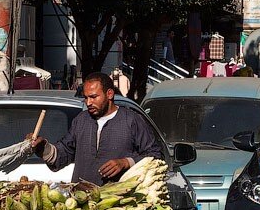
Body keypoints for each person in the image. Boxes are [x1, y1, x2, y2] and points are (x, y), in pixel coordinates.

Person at [29, 72, 163, 184]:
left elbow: (155, 155)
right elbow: (64, 154)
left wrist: (126, 162)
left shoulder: (132, 120)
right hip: (83, 203)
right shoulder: (81, 121)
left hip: (119, 205)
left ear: (109, 94)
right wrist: (43, 148)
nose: (88, 103)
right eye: (86, 98)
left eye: (93, 97)